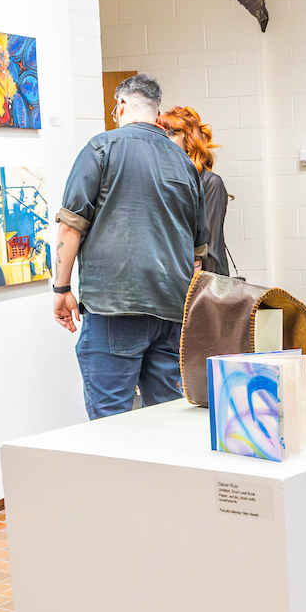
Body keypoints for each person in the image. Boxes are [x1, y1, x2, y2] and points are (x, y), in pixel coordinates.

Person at [52, 73, 209, 419]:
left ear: (122, 106)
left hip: (114, 308)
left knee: (112, 422)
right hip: (171, 311)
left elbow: (70, 226)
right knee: (167, 419)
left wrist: (62, 288)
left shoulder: (101, 148)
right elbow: (198, 253)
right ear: (156, 113)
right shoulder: (185, 165)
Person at [159, 106, 231, 275]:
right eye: (163, 132)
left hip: (204, 280)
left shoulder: (210, 183)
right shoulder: (161, 180)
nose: (165, 138)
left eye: (173, 132)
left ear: (190, 139)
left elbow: (210, 248)